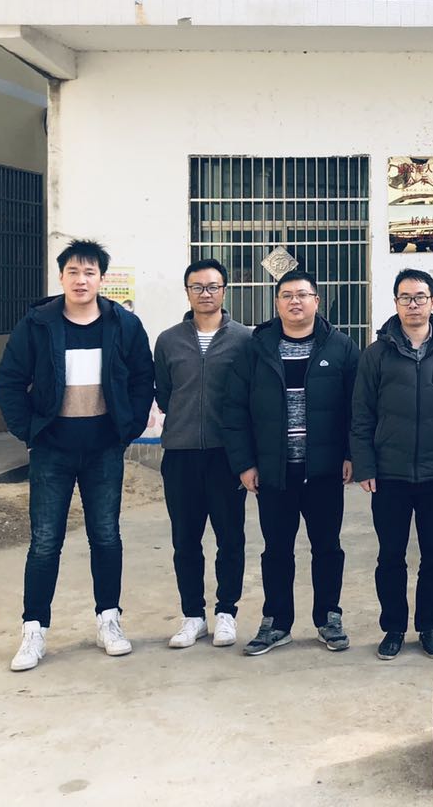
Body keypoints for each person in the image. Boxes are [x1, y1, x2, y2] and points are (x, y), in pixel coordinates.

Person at [0, 239, 154, 672]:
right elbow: (8, 382)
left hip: (103, 449)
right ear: (61, 276)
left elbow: (143, 377)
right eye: (73, 272)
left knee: (106, 536)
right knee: (45, 542)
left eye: (89, 273)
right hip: (52, 450)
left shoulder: (123, 324)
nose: (81, 280)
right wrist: (30, 431)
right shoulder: (37, 325)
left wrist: (128, 428)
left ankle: (109, 621)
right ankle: (34, 630)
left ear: (102, 279)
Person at [222, 270, 359, 657]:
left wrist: (351, 454)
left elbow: (358, 407)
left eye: (302, 294)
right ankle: (277, 622)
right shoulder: (256, 347)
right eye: (286, 295)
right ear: (277, 303)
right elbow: (234, 409)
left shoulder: (341, 347)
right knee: (276, 549)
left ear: (317, 300)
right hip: (274, 469)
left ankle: (328, 617)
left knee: (327, 547)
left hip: (324, 469)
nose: (295, 301)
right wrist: (245, 463)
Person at [351, 269, 433, 661]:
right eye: (405, 297)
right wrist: (365, 466)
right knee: (391, 555)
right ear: (396, 303)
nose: (413, 304)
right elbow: (362, 414)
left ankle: (429, 627)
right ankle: (393, 628)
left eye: (420, 297)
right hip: (390, 473)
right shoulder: (376, 354)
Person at [152, 258, 252, 650]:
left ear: (224, 291)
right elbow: (165, 393)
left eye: (212, 286)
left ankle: (226, 612)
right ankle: (193, 615)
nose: (205, 293)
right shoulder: (169, 340)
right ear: (187, 292)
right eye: (198, 287)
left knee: (230, 538)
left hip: (227, 455)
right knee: (185, 540)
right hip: (181, 454)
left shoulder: (244, 339)